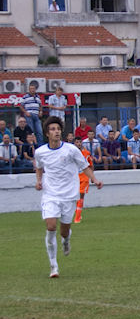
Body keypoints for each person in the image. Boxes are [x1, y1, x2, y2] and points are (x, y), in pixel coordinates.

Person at [35, 116, 103, 277]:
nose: (56, 132)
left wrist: (94, 179)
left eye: (58, 129)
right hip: (50, 195)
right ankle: (53, 266)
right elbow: (39, 167)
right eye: (53, 129)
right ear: (47, 133)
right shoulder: (40, 152)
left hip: (69, 195)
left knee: (64, 231)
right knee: (51, 226)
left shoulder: (71, 150)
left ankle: (66, 241)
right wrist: (38, 181)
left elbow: (84, 166)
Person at [73, 138, 95, 223]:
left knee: (81, 196)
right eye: (77, 142)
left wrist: (92, 177)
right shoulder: (71, 153)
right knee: (74, 197)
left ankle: (77, 218)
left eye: (80, 142)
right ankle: (78, 213)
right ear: (74, 143)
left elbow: (91, 165)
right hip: (74, 178)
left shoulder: (86, 153)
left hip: (84, 177)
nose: (78, 144)